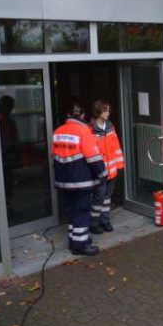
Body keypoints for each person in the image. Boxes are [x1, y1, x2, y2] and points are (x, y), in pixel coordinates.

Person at [52, 103, 107, 256]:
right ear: (82, 116)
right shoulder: (84, 131)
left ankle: (74, 240)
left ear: (68, 115)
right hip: (81, 181)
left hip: (63, 181)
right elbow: (94, 158)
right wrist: (103, 174)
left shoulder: (57, 131)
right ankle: (80, 245)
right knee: (82, 211)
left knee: (71, 211)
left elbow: (55, 157)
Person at [89, 100, 124, 234]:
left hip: (111, 170)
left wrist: (119, 164)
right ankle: (94, 223)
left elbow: (116, 147)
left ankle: (105, 221)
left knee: (107, 197)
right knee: (98, 198)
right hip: (99, 172)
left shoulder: (110, 127)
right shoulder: (90, 130)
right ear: (98, 112)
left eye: (108, 110)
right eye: (105, 111)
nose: (108, 113)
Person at [0, 95, 20, 218]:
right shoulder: (1, 120)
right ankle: (6, 210)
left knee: (9, 183)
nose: (11, 108)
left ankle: (8, 208)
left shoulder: (6, 119)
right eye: (10, 106)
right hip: (4, 157)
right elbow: (5, 140)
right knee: (6, 184)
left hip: (7, 157)